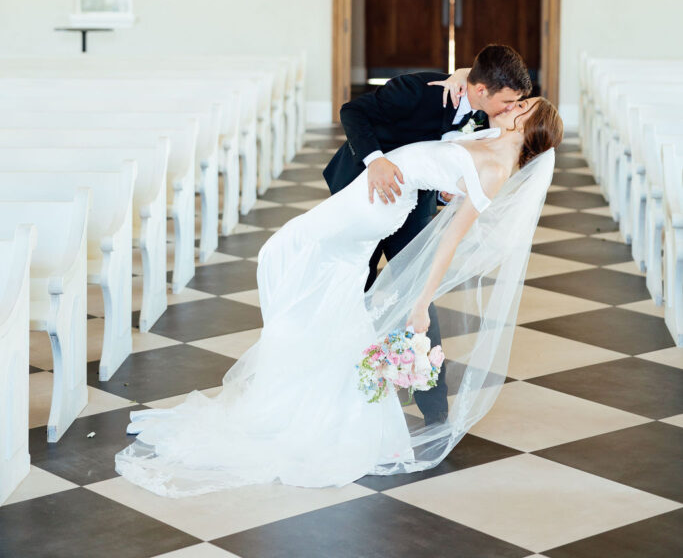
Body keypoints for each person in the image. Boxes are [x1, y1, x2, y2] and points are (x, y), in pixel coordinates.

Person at [115, 95, 562, 497]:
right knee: (323, 282)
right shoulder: (490, 140)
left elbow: (449, 243)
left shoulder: (498, 167)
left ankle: (294, 368)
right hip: (377, 198)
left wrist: (421, 303)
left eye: (524, 108)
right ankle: (315, 388)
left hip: (377, 206)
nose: (513, 106)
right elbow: (451, 145)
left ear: (530, 127)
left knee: (281, 251)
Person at [323, 43, 533, 423]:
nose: (511, 108)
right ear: (482, 89)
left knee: (417, 289)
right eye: (508, 100)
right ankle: (343, 390)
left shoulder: (492, 120)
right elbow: (353, 111)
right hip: (364, 192)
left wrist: (442, 192)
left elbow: (447, 162)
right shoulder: (420, 90)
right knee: (355, 285)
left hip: (413, 204)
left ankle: (435, 411)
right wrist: (376, 161)